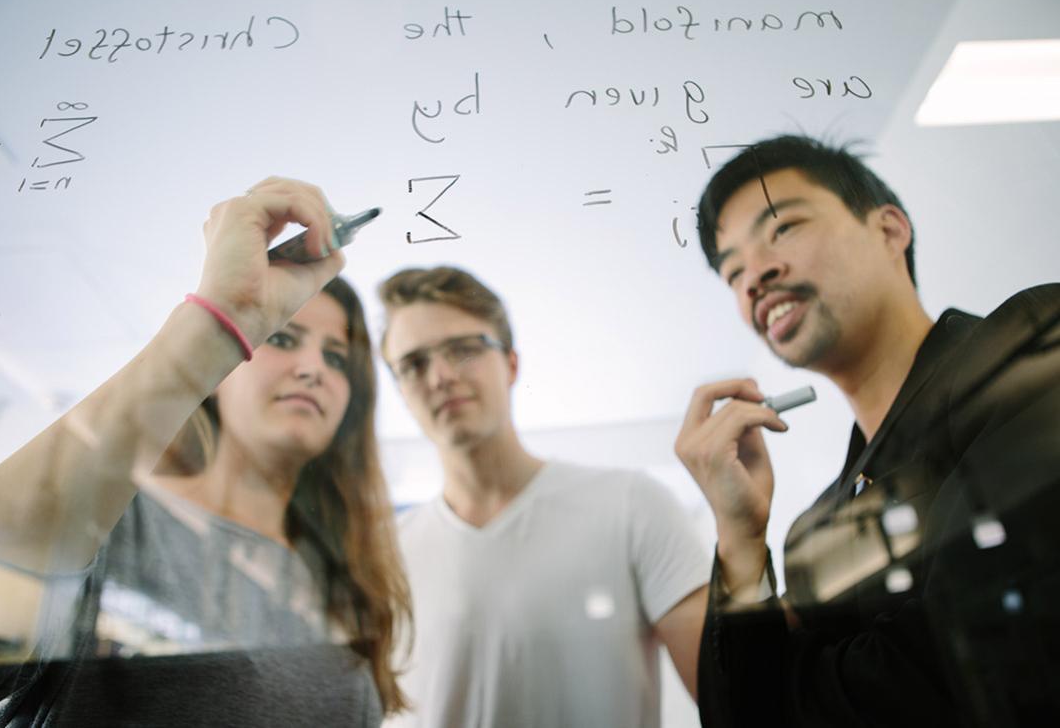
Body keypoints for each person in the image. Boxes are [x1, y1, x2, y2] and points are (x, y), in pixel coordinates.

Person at [0, 178, 412, 726]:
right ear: (222, 374)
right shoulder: (120, 519)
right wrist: (219, 319)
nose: (312, 368)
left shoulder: (338, 573)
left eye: (336, 357)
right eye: (281, 338)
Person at [675, 135, 1060, 727]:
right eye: (732, 272)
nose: (755, 275)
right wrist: (740, 539)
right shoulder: (816, 535)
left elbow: (976, 658)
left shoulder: (1029, 343)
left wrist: (794, 680)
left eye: (783, 228)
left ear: (889, 230)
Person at [377, 265, 711, 728]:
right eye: (414, 364)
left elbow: (731, 700)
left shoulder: (633, 506)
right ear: (398, 387)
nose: (440, 376)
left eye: (464, 349)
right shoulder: (383, 556)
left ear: (512, 364)